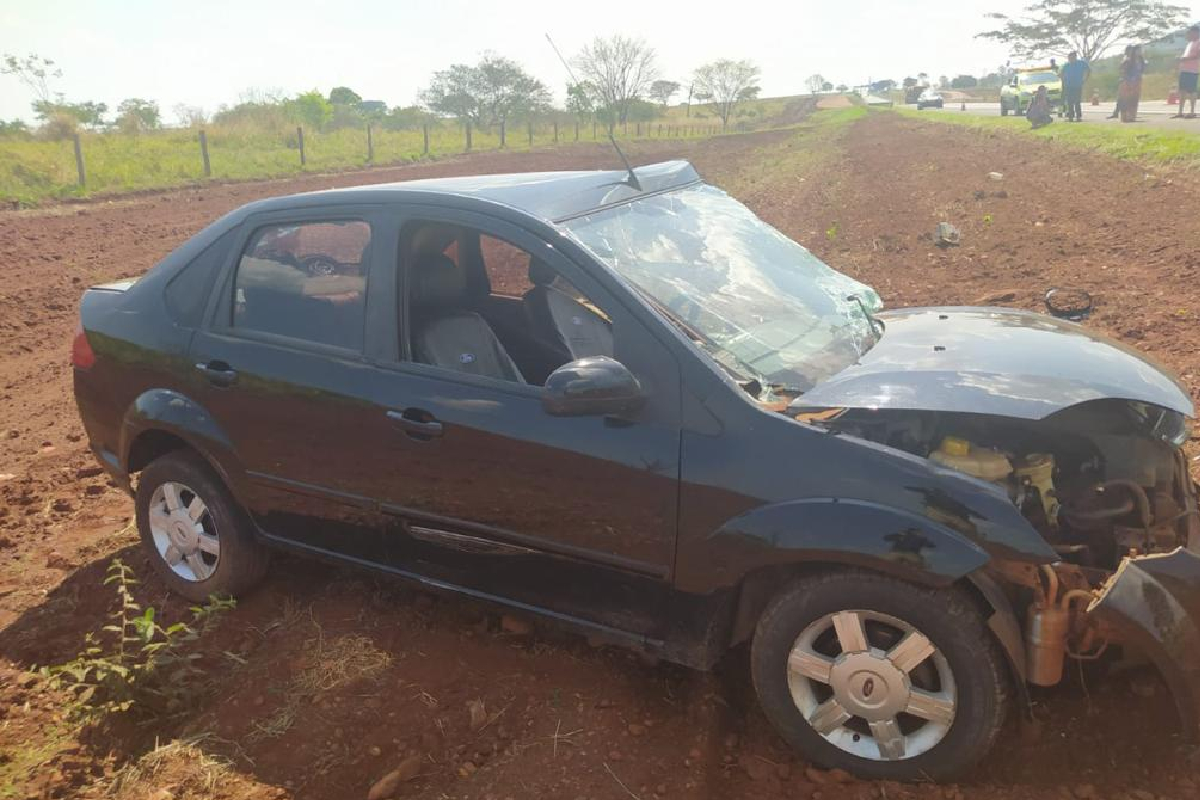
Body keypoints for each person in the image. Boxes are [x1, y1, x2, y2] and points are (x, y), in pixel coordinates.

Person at [1174, 25, 1200, 118]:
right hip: (1184, 70)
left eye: (1191, 33)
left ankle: (1192, 111)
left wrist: (1184, 58)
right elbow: (1186, 55)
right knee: (1182, 91)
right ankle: (1180, 111)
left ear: (1196, 32)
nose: (1190, 35)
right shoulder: (1189, 44)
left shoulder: (1198, 42)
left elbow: (1197, 56)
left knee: (1192, 91)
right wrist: (1180, 58)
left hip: (1192, 71)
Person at [1119, 45, 1147, 123]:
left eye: (1141, 50)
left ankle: (1132, 116)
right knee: (1126, 100)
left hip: (1137, 82)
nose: (1140, 52)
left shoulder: (1141, 61)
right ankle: (1124, 117)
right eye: (1138, 50)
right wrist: (1128, 81)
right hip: (1127, 82)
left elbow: (1141, 71)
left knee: (1134, 100)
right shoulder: (1128, 60)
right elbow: (1123, 71)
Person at [1059, 51, 1089, 122]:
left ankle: (1078, 116)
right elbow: (1060, 73)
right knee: (1070, 102)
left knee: (1077, 101)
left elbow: (1088, 70)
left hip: (1077, 85)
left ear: (1075, 57)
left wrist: (1084, 79)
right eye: (1069, 57)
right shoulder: (1066, 65)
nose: (1070, 59)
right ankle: (1071, 116)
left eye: (1071, 57)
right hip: (1068, 86)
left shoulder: (1081, 63)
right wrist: (1064, 80)